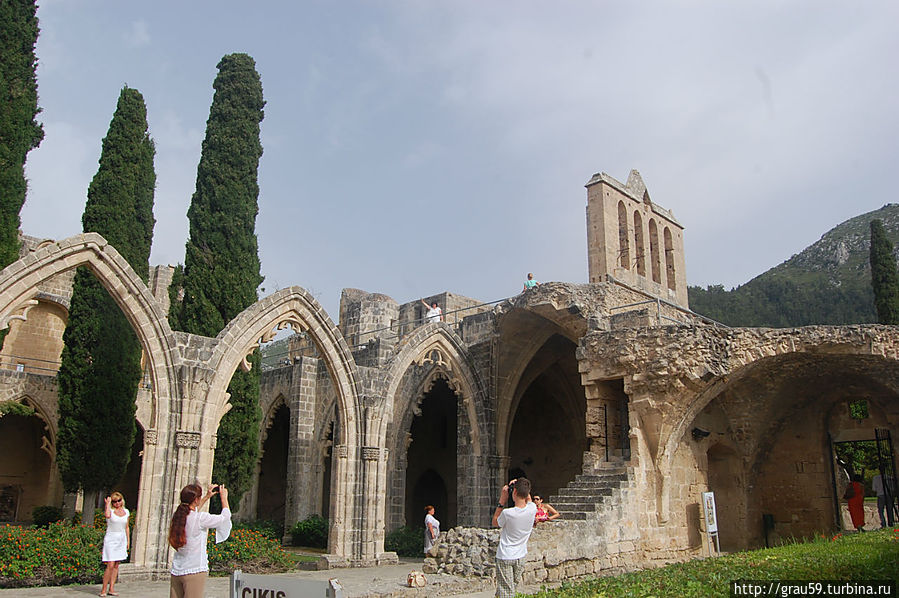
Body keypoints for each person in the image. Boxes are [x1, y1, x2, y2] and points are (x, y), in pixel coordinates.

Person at [169, 483, 231, 598]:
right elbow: (225, 518)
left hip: (177, 570)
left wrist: (207, 497)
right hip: (194, 569)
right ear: (196, 499)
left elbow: (192, 512)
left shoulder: (177, 516)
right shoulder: (200, 518)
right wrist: (224, 498)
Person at [492, 477, 537, 598]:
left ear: (514, 492)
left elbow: (495, 522)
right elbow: (529, 499)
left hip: (505, 555)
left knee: (506, 592)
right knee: (509, 589)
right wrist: (521, 487)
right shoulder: (532, 509)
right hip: (520, 556)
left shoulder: (508, 513)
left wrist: (502, 500)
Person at [99, 492, 129, 597]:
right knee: (110, 565)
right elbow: (107, 515)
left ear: (122, 500)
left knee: (116, 565)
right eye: (114, 501)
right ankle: (103, 589)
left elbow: (127, 527)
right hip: (111, 538)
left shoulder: (126, 511)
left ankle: (111, 588)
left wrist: (128, 541)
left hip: (121, 538)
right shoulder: (110, 511)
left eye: (119, 500)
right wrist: (107, 504)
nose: (117, 503)